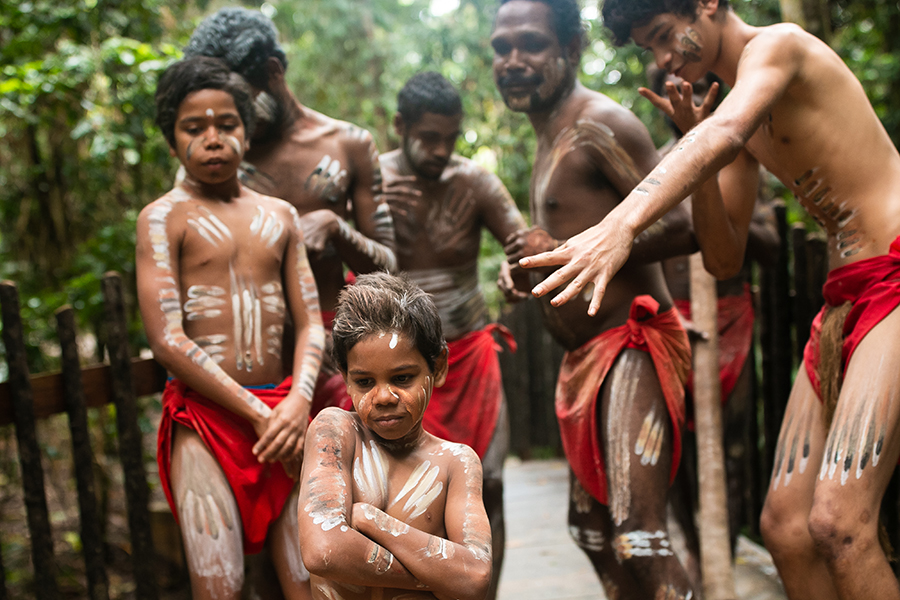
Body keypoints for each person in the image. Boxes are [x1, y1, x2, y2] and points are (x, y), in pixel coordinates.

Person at [522, 0, 900, 597]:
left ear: (709, 5)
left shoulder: (779, 47)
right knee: (784, 527)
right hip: (843, 299)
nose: (665, 59)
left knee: (837, 523)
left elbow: (725, 134)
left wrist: (620, 226)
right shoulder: (728, 113)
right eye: (651, 47)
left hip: (894, 280)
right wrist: (691, 138)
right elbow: (721, 255)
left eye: (668, 37)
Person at [491, 1, 699, 598]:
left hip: (634, 343)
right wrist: (536, 272)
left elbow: (683, 225)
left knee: (639, 535)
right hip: (587, 360)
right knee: (590, 531)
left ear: (570, 49)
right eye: (501, 49)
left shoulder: (598, 124)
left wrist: (569, 250)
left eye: (529, 43)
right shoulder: (548, 133)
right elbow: (574, 247)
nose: (513, 61)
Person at [137, 56, 324, 599]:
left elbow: (311, 323)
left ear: (248, 130)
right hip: (208, 422)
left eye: (227, 124)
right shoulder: (163, 217)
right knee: (221, 586)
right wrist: (262, 414)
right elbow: (168, 339)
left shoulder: (281, 216)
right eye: (194, 128)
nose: (213, 139)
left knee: (311, 580)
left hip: (286, 415)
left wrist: (296, 404)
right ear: (172, 141)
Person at [184, 7, 397, 415]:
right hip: (247, 368)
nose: (234, 122)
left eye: (242, 103)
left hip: (337, 360)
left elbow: (390, 267)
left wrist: (335, 227)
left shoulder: (347, 144)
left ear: (273, 71)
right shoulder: (213, 162)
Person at [378, 71, 528, 600]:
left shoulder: (476, 182)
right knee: (403, 494)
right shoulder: (372, 183)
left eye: (451, 138)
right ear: (400, 127)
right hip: (395, 367)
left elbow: (523, 244)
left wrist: (518, 271)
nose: (442, 150)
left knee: (489, 487)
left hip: (469, 356)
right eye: (429, 138)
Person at [297, 272, 493, 600]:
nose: (384, 396)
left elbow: (475, 575)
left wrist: (375, 523)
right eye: (364, 382)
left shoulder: (456, 463)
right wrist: (437, 575)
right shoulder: (336, 432)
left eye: (402, 378)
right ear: (345, 378)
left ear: (439, 367)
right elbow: (322, 550)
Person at [650, 69, 780, 555]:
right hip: (676, 325)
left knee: (733, 448)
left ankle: (724, 550)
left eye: (689, 89)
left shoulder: (743, 160)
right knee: (678, 453)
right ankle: (696, 553)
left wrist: (720, 212)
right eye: (669, 89)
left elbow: (767, 245)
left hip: (732, 320)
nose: (679, 98)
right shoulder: (656, 168)